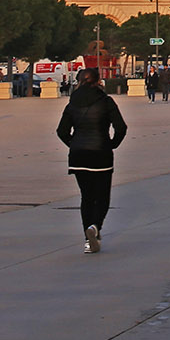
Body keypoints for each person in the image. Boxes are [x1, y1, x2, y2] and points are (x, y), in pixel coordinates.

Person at [56, 66, 128, 255]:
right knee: (102, 196)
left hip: (78, 155)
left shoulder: (72, 103)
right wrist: (112, 144)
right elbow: (121, 127)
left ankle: (88, 240)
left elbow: (61, 131)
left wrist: (73, 144)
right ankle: (95, 228)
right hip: (101, 154)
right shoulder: (106, 101)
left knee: (86, 197)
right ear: (98, 81)